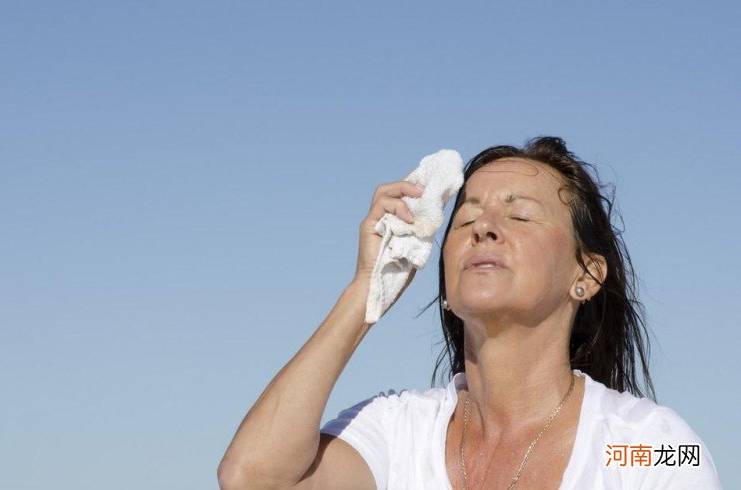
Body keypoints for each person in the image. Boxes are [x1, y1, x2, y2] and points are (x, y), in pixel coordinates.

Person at [217, 137, 722, 489]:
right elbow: (254, 478)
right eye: (466, 218)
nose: (484, 228)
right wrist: (365, 292)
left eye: (519, 214)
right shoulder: (399, 433)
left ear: (586, 276)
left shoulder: (641, 446)